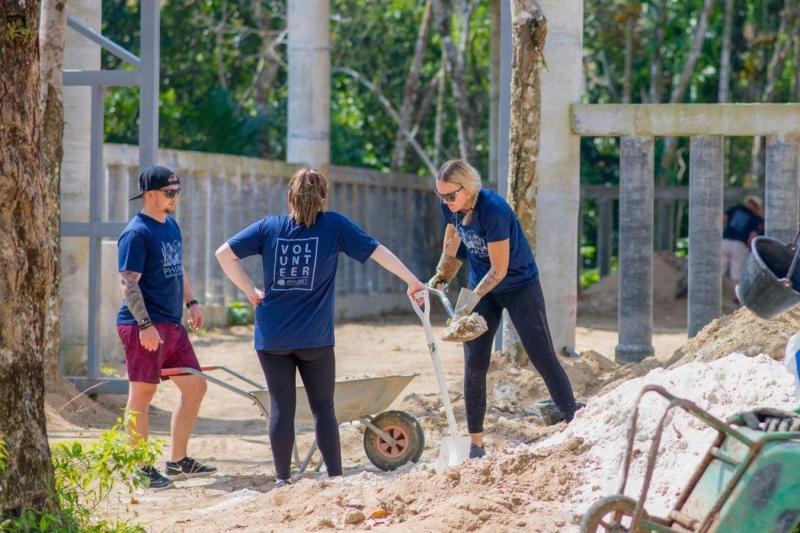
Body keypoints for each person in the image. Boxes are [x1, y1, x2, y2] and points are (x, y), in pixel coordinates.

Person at [215, 167, 426, 489]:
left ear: (290, 197)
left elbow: (224, 254)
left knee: (281, 408)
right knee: (324, 408)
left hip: (272, 336)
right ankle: (335, 479)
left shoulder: (269, 228)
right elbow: (377, 252)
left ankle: (283, 480)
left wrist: (249, 291)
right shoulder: (334, 225)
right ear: (324, 198)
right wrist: (412, 281)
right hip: (314, 337)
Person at [428, 159, 578, 459]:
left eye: (450, 196)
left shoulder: (493, 210)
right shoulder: (453, 205)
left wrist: (469, 301)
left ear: (468, 189)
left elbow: (498, 270)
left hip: (517, 284)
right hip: (480, 284)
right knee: (474, 362)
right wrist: (445, 270)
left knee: (541, 354)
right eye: (440, 196)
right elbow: (453, 231)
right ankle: (476, 444)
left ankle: (575, 419)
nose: (445, 202)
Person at [117, 165, 216, 490]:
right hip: (143, 325)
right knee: (142, 394)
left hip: (171, 325)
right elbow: (128, 283)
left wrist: (192, 302)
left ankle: (177, 461)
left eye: (177, 191)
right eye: (169, 192)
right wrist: (144, 324)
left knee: (195, 387)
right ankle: (140, 468)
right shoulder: (136, 232)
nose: (175, 197)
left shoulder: (170, 226)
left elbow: (178, 268)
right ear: (150, 195)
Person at [722, 195, 764, 289]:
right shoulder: (756, 218)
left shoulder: (735, 209)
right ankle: (736, 300)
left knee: (718, 271)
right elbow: (752, 236)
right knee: (737, 274)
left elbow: (723, 218)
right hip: (739, 245)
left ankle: (710, 294)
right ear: (757, 207)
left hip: (724, 242)